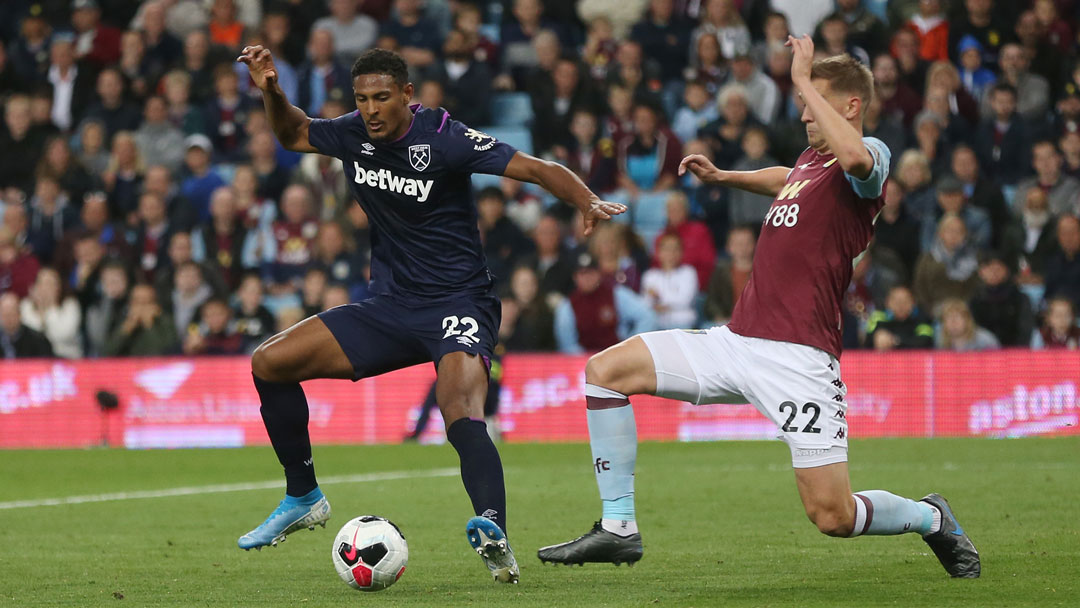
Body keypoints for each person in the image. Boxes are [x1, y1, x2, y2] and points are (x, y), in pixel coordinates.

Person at [537, 39, 980, 579]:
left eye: (813, 99)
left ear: (850, 107)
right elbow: (785, 177)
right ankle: (618, 527)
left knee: (833, 516)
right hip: (736, 342)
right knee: (604, 373)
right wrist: (727, 178)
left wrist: (799, 74)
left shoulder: (873, 155)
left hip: (800, 361)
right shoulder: (810, 161)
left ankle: (930, 517)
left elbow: (858, 159)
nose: (801, 111)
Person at [234, 45, 626, 583]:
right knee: (269, 363)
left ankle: (493, 530)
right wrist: (272, 91)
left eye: (382, 98)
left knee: (460, 409)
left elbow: (534, 167)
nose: (370, 109)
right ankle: (303, 495)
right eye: (362, 99)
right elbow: (293, 134)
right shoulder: (351, 133)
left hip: (458, 303)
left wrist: (584, 199)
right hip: (391, 307)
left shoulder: (444, 137)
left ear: (407, 95)